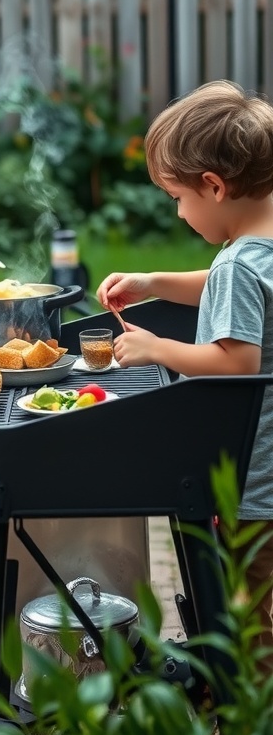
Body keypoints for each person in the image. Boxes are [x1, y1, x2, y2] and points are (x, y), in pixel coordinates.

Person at [96, 79, 273, 671]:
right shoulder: (258, 249)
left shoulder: (239, 268)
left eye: (177, 197)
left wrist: (157, 347)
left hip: (254, 483)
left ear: (214, 187)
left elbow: (235, 362)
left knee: (249, 617)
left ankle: (250, 714)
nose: (178, 210)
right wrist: (152, 282)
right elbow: (220, 284)